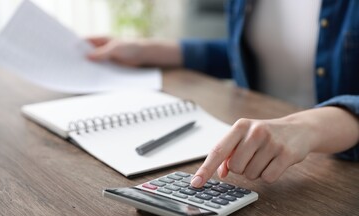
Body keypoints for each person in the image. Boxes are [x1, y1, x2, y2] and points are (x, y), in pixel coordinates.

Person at [87, 0, 359, 187]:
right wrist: (151, 50)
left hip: (339, 174)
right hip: (258, 152)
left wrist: (308, 128)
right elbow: (251, 52)